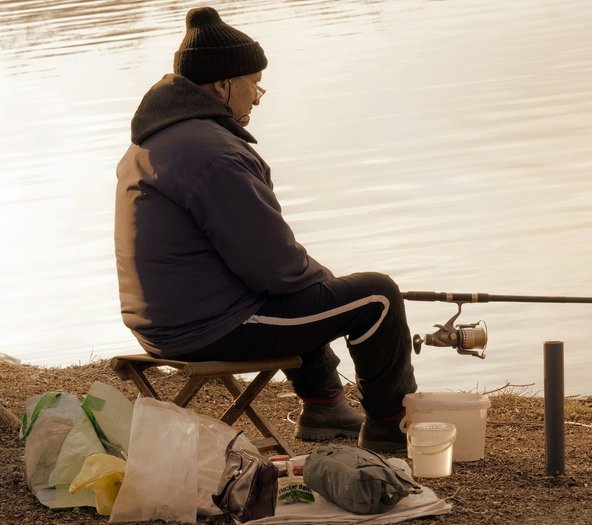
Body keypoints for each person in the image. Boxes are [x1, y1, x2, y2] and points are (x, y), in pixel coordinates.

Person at [114, 6, 416, 451]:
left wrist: (319, 283)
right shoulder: (212, 154)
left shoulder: (158, 140)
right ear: (223, 85)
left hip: (162, 323)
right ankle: (391, 431)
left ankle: (324, 404)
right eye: (254, 84)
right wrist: (328, 282)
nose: (256, 97)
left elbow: (265, 265)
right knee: (376, 296)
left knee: (312, 292)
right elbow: (275, 269)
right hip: (209, 327)